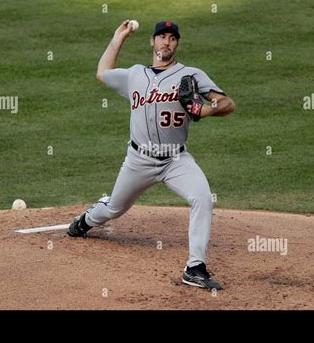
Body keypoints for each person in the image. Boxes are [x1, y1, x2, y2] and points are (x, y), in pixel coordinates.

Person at [68, 20, 235, 290]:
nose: (166, 42)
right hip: (139, 160)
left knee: (202, 197)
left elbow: (227, 103)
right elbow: (102, 73)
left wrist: (205, 109)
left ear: (177, 44)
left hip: (175, 159)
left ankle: (195, 268)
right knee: (115, 208)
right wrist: (117, 37)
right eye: (161, 37)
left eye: (172, 38)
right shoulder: (134, 75)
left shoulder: (191, 74)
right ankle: (85, 221)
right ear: (152, 42)